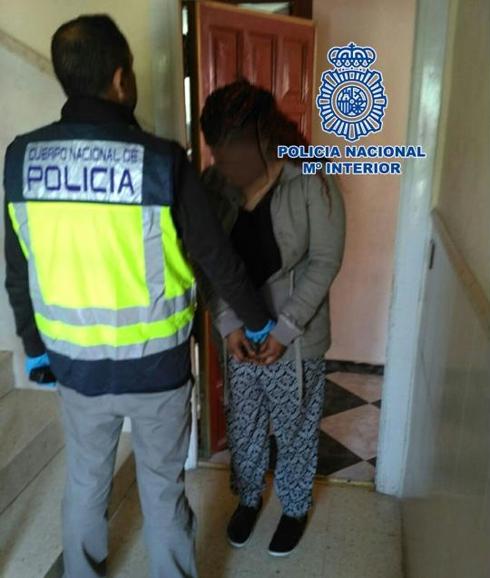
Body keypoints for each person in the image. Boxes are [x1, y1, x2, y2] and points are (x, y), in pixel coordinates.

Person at [3, 16, 274, 578]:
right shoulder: (161, 160)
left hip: (76, 366)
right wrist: (256, 322)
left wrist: (33, 347)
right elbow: (216, 257)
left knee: (84, 483)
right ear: (120, 78)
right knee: (162, 488)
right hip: (156, 372)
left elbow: (18, 266)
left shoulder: (22, 158)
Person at [198, 79, 346, 557]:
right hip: (239, 336)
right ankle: (247, 498)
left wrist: (285, 331)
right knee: (244, 424)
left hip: (295, 338)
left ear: (264, 136)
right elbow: (209, 260)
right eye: (217, 151)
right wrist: (228, 324)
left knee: (295, 426)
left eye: (234, 151)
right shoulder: (215, 184)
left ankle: (295, 506)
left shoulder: (310, 178)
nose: (225, 164)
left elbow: (324, 261)